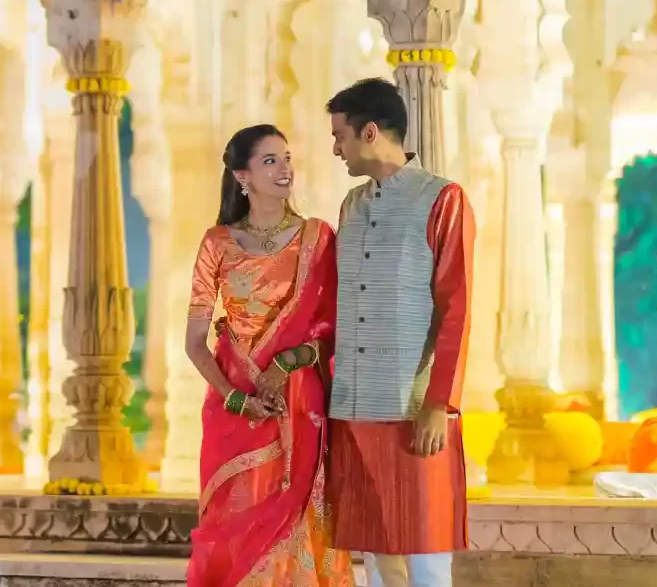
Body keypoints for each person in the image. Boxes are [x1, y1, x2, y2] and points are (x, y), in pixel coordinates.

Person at [185, 124, 354, 587]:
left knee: (298, 515)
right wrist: (235, 398)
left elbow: (338, 325)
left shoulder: (318, 239)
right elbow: (195, 341)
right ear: (243, 177)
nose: (285, 169)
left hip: (298, 402)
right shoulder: (217, 243)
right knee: (236, 522)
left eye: (287, 158)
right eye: (270, 161)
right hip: (233, 407)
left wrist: (289, 361)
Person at [324, 78, 475, 587]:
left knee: (426, 546)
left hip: (413, 408)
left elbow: (456, 309)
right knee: (375, 548)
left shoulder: (443, 200)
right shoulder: (350, 205)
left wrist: (440, 403)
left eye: (340, 136)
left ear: (369, 132)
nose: (336, 148)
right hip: (351, 404)